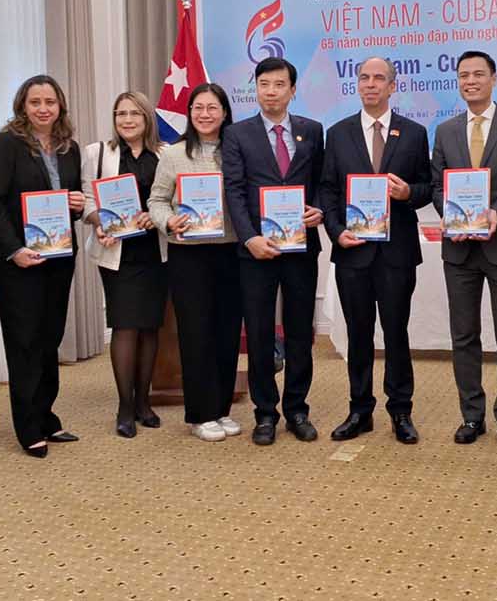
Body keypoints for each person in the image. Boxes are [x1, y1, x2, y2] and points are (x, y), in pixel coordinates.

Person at [317, 57, 432, 444]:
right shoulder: (338, 133)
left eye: (379, 78)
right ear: (357, 85)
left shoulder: (414, 133)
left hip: (397, 253)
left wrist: (408, 192)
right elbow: (328, 189)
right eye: (364, 77)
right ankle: (359, 410)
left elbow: (427, 187)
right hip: (353, 251)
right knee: (358, 334)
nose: (370, 84)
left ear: (392, 86)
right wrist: (336, 232)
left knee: (396, 332)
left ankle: (401, 410)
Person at [430, 50, 497, 448]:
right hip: (459, 248)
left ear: (494, 78)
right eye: (464, 75)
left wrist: (496, 213)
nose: (470, 81)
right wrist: (453, 215)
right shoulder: (445, 130)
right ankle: (471, 416)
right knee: (463, 335)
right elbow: (438, 186)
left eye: (478, 74)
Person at [221, 57, 326, 446]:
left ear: (292, 90)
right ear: (256, 89)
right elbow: (234, 190)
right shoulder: (238, 134)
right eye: (264, 84)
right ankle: (265, 412)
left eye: (279, 84)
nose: (271, 92)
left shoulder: (312, 131)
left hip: (300, 248)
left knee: (299, 332)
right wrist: (249, 237)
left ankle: (297, 409)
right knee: (260, 333)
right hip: (257, 251)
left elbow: (321, 182)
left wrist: (320, 209)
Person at [0, 75, 86, 458]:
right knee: (24, 342)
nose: (43, 108)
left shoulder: (69, 147)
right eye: (35, 102)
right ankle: (27, 428)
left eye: (50, 102)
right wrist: (14, 250)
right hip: (20, 261)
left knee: (49, 338)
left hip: (58, 256)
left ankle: (46, 417)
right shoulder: (7, 143)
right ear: (22, 106)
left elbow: (69, 200)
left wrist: (78, 205)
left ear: (60, 107)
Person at [148, 84, 245, 442]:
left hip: (231, 251)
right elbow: (157, 200)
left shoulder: (237, 150)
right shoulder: (173, 154)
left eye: (212, 108)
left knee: (227, 332)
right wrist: (168, 221)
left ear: (224, 112)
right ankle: (200, 414)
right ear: (189, 113)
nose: (205, 114)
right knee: (196, 333)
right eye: (198, 108)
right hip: (188, 254)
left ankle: (221, 409)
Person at [83, 91, 168, 438]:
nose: (127, 120)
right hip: (116, 253)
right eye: (121, 114)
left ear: (147, 118)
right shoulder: (98, 153)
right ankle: (124, 406)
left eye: (135, 113)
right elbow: (87, 199)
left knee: (149, 327)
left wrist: (156, 215)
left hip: (156, 252)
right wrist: (99, 221)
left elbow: (172, 199)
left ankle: (144, 402)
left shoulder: (164, 154)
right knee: (125, 326)